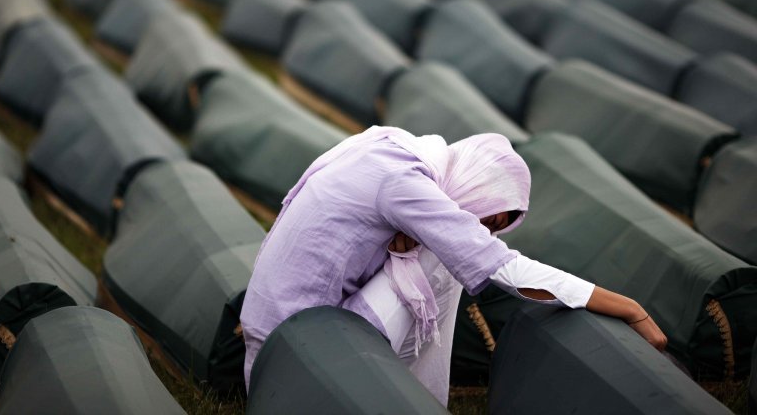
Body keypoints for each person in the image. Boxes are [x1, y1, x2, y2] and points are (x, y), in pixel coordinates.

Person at [240, 126, 667, 405]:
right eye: (486, 218)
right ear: (477, 181)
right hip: (297, 355)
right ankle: (418, 402)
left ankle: (421, 400)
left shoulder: (393, 150)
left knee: (434, 252)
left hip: (286, 338)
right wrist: (630, 308)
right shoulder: (403, 182)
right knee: (447, 262)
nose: (478, 227)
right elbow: (500, 266)